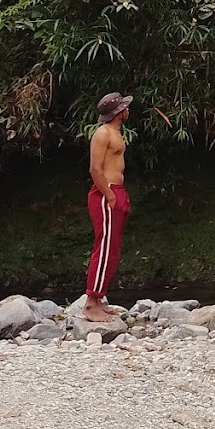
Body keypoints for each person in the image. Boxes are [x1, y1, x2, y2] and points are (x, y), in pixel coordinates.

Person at [83, 91, 132, 322]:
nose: (128, 110)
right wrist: (110, 195)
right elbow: (95, 169)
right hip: (106, 193)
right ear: (118, 112)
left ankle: (99, 299)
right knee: (104, 248)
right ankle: (91, 303)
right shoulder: (103, 134)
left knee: (112, 248)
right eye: (124, 107)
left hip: (115, 191)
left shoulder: (115, 132)